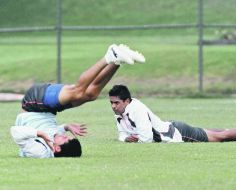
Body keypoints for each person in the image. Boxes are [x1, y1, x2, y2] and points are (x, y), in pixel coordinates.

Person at [10, 44, 146, 158]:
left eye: (64, 138)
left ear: (56, 148)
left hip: (33, 105)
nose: (65, 136)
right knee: (90, 95)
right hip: (47, 109)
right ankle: (117, 62)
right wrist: (66, 127)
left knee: (77, 91)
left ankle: (109, 56)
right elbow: (51, 130)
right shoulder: (54, 143)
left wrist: (40, 134)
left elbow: (15, 131)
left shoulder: (39, 151)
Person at [108, 84, 236, 143]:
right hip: (170, 127)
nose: (113, 107)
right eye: (111, 103)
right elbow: (122, 134)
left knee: (221, 137)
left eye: (116, 103)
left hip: (176, 133)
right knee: (215, 132)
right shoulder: (121, 111)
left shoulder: (136, 109)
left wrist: (134, 140)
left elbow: (146, 139)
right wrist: (127, 139)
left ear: (127, 101)